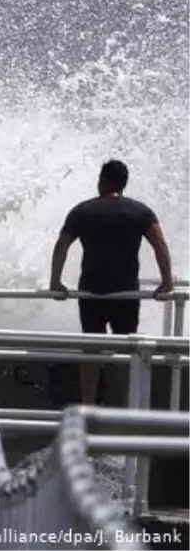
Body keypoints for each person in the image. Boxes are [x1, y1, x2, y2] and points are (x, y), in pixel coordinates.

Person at [48, 159, 174, 404]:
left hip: (91, 293)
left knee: (91, 353)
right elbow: (159, 244)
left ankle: (88, 407)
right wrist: (166, 282)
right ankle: (126, 409)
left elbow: (62, 245)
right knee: (127, 352)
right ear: (123, 184)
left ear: (102, 181)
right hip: (125, 294)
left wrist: (56, 282)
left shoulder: (82, 210)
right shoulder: (140, 211)